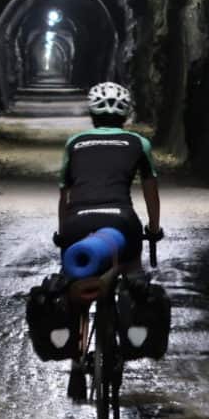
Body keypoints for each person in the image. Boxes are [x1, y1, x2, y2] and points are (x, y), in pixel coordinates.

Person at [54, 81, 163, 401]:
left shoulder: (75, 143)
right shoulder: (138, 143)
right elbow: (150, 191)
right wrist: (153, 229)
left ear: (91, 113)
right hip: (121, 221)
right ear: (126, 114)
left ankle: (76, 364)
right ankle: (130, 326)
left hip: (79, 222)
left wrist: (64, 235)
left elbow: (65, 195)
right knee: (131, 272)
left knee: (77, 283)